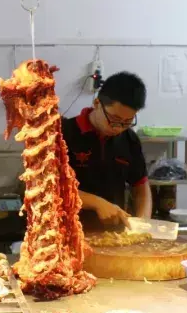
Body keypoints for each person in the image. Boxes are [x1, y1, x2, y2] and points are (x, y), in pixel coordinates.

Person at [62, 72, 152, 229]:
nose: (118, 128)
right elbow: (50, 189)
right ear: (97, 104)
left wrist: (142, 223)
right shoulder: (64, 134)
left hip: (113, 235)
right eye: (114, 120)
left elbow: (141, 186)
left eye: (127, 122)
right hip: (68, 232)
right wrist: (96, 203)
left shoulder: (129, 140)